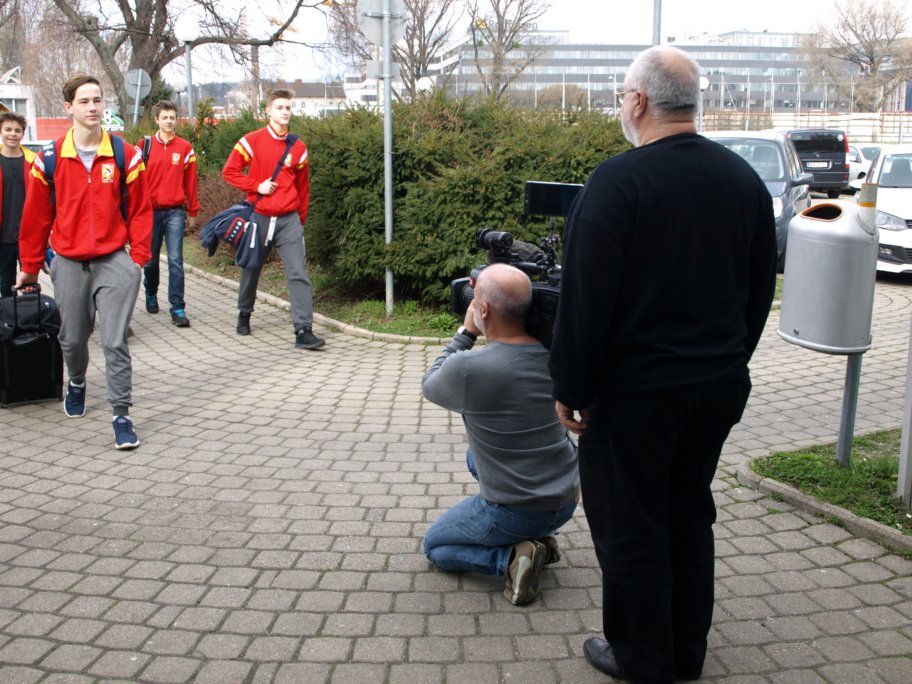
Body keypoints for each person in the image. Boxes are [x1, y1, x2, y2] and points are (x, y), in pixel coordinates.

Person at [548, 46, 776, 683]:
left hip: (637, 396)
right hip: (716, 387)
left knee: (631, 525)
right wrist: (729, 360)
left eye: (623, 95)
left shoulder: (617, 182)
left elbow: (585, 300)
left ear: (639, 101)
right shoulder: (743, 180)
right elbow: (760, 289)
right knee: (687, 511)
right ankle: (684, 653)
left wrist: (570, 385)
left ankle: (642, 658)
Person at [422, 263, 579, 606]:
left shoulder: (469, 369)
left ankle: (511, 557)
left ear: (483, 310)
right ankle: (537, 538)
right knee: (473, 457)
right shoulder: (555, 354)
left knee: (435, 547)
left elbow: (430, 384)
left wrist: (466, 332)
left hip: (517, 511)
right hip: (566, 498)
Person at [17, 74, 152, 450]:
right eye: (84, 101)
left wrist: (138, 258)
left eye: (97, 100)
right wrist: (30, 266)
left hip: (115, 261)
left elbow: (141, 209)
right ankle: (76, 381)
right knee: (73, 338)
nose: (93, 107)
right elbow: (35, 218)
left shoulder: (126, 154)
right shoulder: (49, 158)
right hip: (68, 261)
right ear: (69, 107)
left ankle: (121, 414)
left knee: (114, 341)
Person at [222, 88, 324, 349]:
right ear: (268, 111)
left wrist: (300, 220)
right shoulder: (251, 141)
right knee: (251, 267)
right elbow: (230, 171)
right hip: (259, 217)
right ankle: (244, 312)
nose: (285, 112)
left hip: (289, 220)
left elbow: (303, 188)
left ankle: (303, 330)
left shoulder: (298, 147)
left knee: (298, 272)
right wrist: (256, 186)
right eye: (279, 107)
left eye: (288, 108)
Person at [138, 99, 200, 327]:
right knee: (150, 260)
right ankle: (150, 292)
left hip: (175, 211)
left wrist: (193, 210)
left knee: (175, 260)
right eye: (164, 117)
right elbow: (134, 181)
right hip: (150, 212)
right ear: (157, 119)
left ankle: (178, 308)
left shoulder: (184, 148)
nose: (169, 121)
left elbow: (191, 182)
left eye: (172, 117)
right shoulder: (143, 146)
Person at [0, 111, 36, 298]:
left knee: (30, 287)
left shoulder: (34, 161)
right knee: (5, 287)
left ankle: (30, 315)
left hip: (29, 236)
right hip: (3, 237)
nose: (12, 134)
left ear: (23, 133)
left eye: (17, 130)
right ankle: (7, 316)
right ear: (1, 131)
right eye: (8, 129)